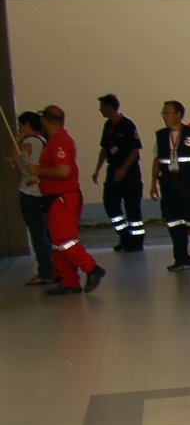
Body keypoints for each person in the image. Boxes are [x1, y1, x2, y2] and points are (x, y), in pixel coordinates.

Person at [33, 105, 105, 296]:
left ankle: (91, 268)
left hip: (63, 198)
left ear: (46, 120)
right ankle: (69, 281)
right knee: (57, 242)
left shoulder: (60, 142)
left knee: (65, 240)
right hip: (54, 198)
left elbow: (63, 171)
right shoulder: (53, 142)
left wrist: (37, 170)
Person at [150, 100, 190, 272]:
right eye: (163, 113)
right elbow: (157, 160)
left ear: (178, 114)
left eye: (167, 112)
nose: (164, 116)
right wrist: (152, 184)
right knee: (173, 221)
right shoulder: (161, 135)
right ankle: (181, 258)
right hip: (168, 184)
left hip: (188, 184)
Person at [92, 93, 144, 252]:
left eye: (102, 106)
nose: (99, 110)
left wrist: (124, 169)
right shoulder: (108, 126)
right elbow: (105, 148)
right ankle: (124, 236)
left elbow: (135, 150)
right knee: (110, 202)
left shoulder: (127, 125)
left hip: (129, 172)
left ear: (110, 107)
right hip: (113, 170)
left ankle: (136, 241)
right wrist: (97, 169)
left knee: (132, 207)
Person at [13, 111, 54, 286]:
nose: (20, 128)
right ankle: (51, 268)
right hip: (42, 192)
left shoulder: (29, 143)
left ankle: (45, 272)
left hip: (30, 193)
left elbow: (19, 164)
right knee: (44, 232)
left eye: (21, 125)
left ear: (28, 126)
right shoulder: (44, 141)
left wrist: (16, 140)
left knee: (38, 234)